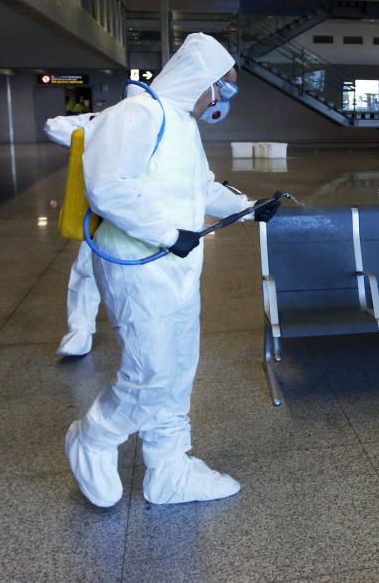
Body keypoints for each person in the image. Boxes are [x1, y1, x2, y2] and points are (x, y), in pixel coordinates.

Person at [65, 33, 281, 507]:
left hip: (178, 267)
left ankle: (169, 469)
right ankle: (93, 438)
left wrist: (248, 208)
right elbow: (109, 187)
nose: (222, 99)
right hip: (137, 266)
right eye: (222, 88)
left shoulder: (181, 123)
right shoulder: (134, 116)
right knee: (152, 374)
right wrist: (167, 233)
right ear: (200, 80)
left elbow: (199, 187)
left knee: (180, 367)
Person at [44, 114, 101, 357]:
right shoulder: (104, 122)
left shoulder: (169, 125)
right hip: (102, 213)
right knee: (87, 270)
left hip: (147, 215)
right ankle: (80, 330)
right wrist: (95, 128)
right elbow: (54, 126)